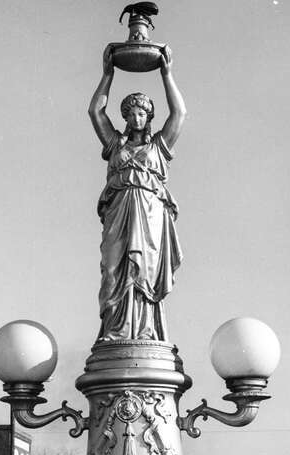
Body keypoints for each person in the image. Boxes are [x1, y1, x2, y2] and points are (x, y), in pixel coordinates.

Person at [88, 44, 186, 341]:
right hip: (119, 213)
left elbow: (179, 113)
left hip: (150, 214)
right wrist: (107, 74)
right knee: (114, 271)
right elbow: (95, 111)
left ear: (149, 116)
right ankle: (115, 330)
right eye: (130, 113)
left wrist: (167, 75)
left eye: (142, 113)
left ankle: (147, 331)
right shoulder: (115, 145)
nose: (136, 118)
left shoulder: (158, 147)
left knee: (144, 271)